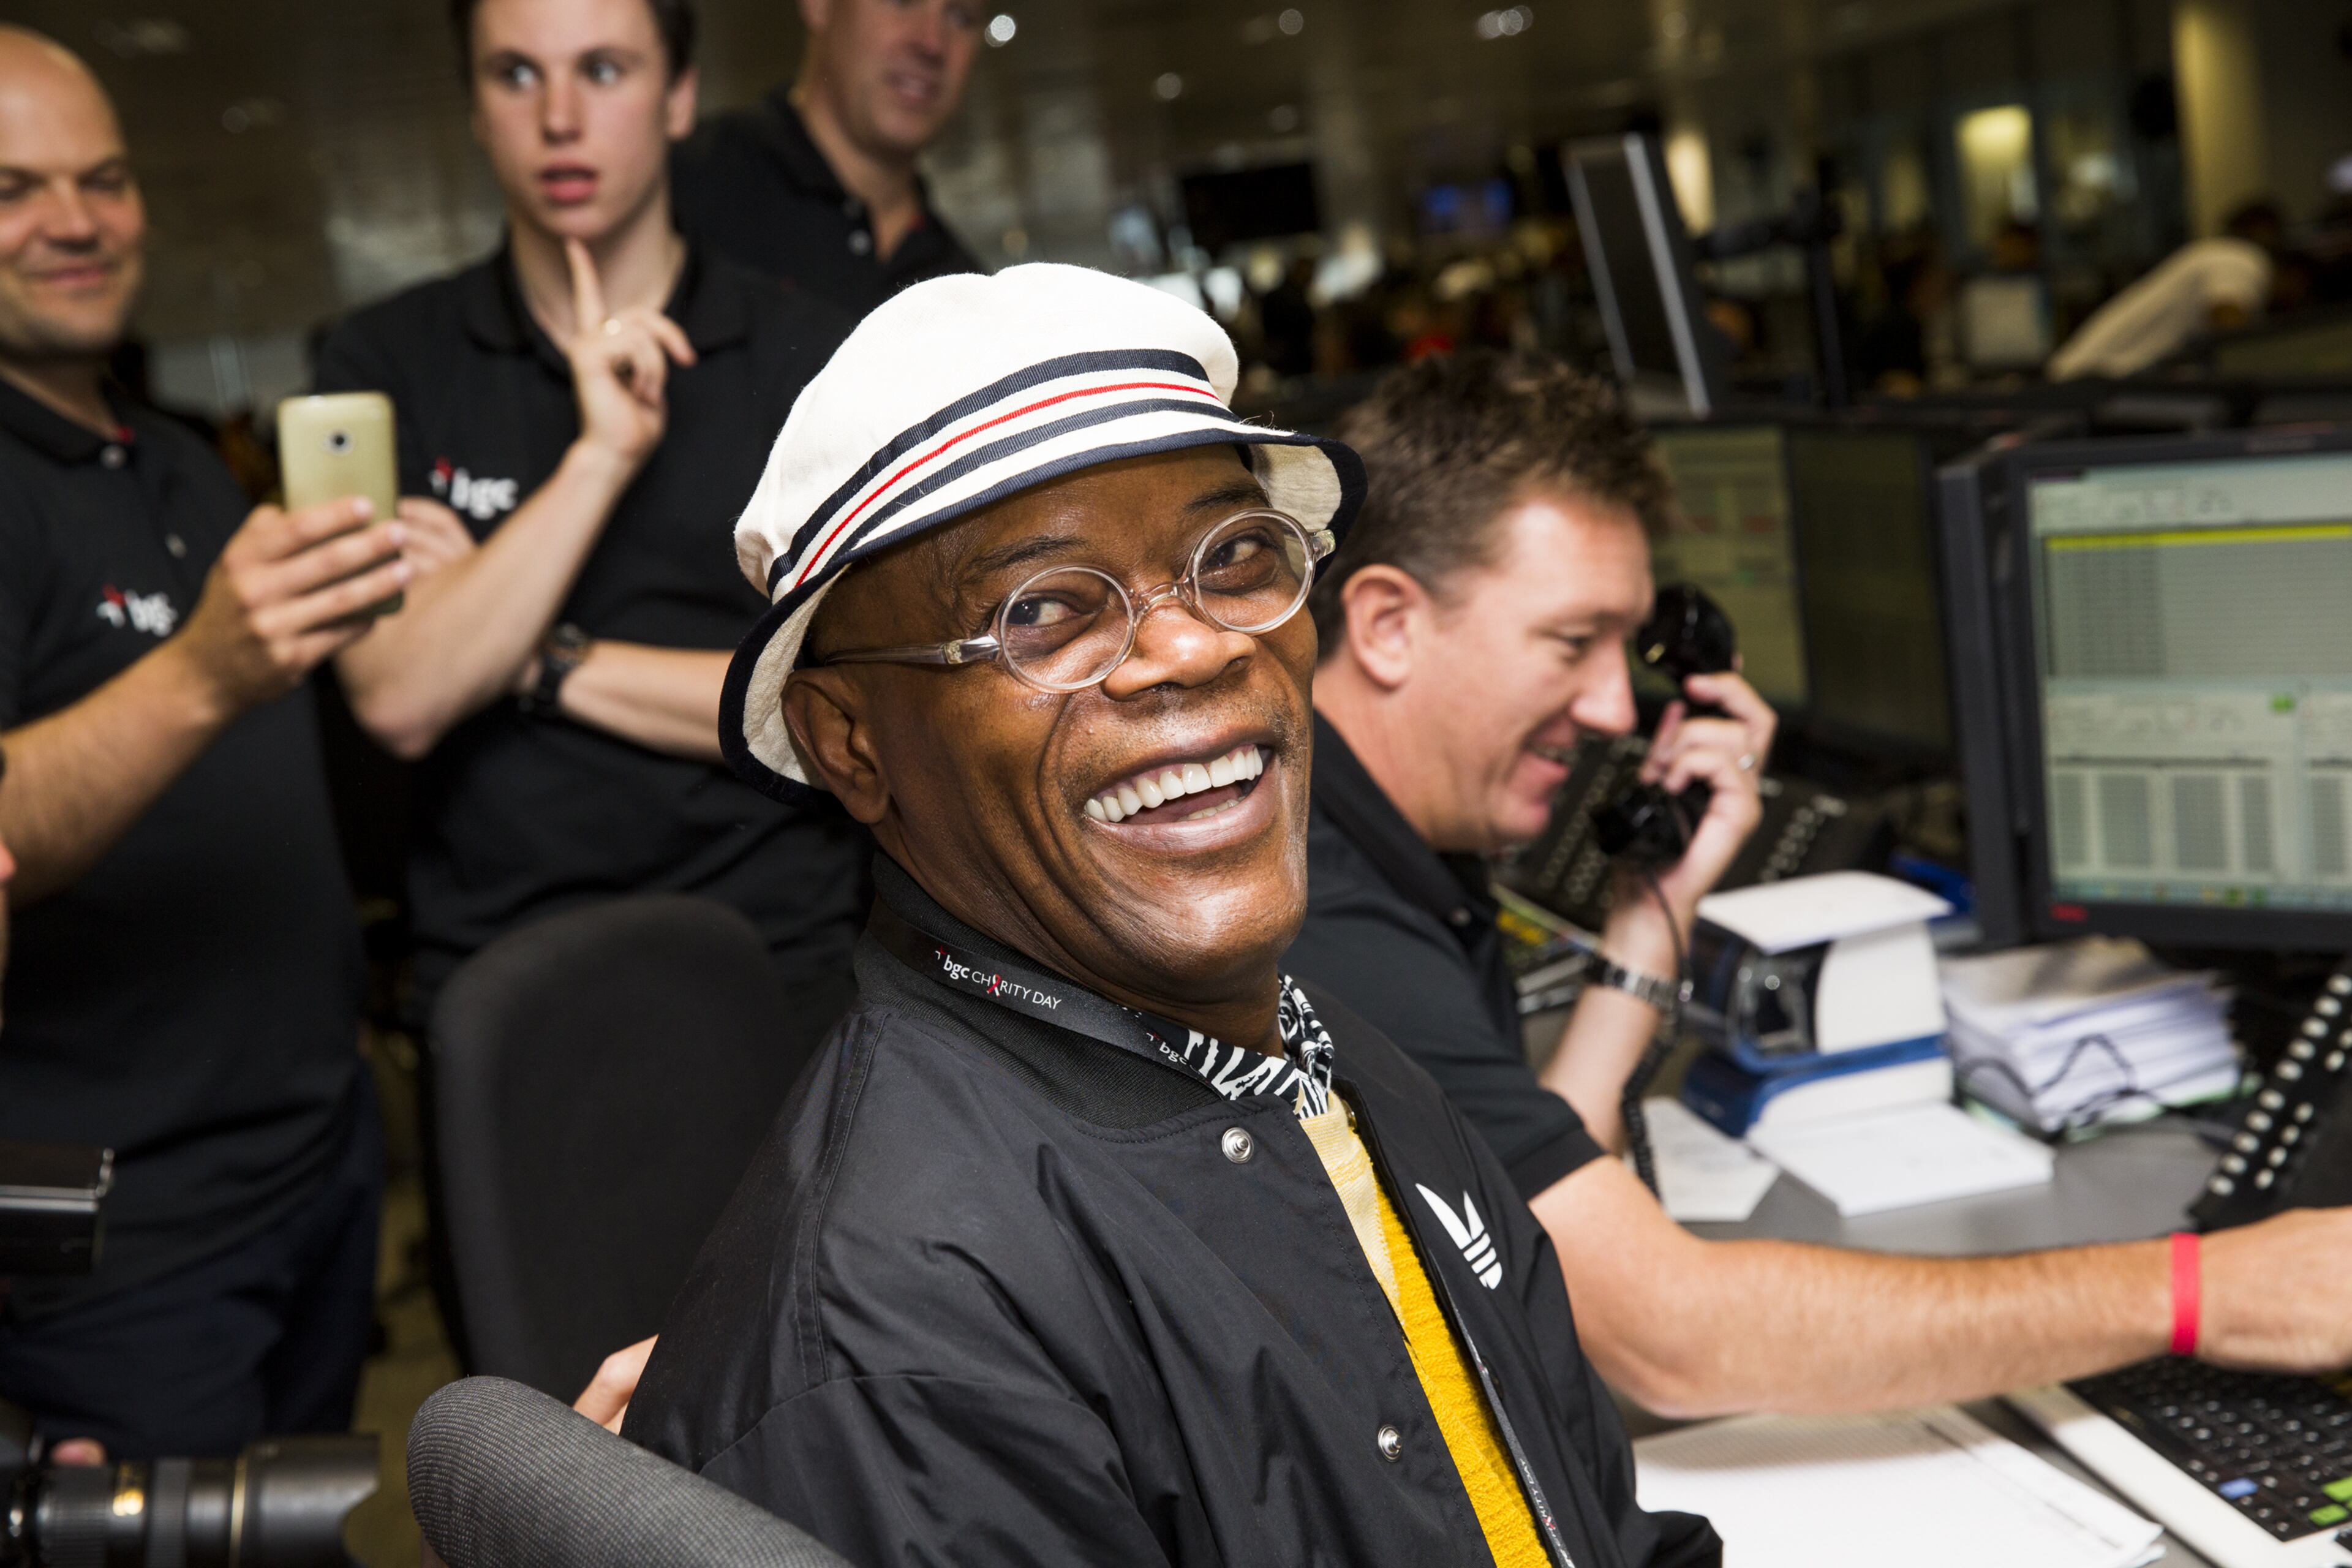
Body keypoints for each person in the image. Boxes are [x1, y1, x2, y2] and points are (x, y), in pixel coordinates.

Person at [621, 265, 1720, 1568]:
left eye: (1236, 558)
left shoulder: (1335, 1063)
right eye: (1041, 612)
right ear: (849, 742)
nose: (1195, 648)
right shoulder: (903, 1336)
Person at [1288, 348, 2352, 1419]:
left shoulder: (1383, 841)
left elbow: (1517, 1219)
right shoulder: (1322, 925)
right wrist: (2203, 1292)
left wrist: (1653, 914)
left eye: (1625, 647)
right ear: (1387, 625)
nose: (1615, 707)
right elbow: (1667, 1335)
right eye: (1572, 642)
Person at [0, 26, 397, 1457]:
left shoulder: (175, 456)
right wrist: (205, 670)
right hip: (133, 1244)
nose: (75, 220)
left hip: (317, 1161)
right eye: (15, 190)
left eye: (102, 179)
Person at [318, 0, 865, 1023]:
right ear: (476, 107)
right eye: (516, 74)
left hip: (777, 958)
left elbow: (840, 713)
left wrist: (530, 655)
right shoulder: (382, 363)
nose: (559, 118)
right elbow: (400, 695)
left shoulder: (816, 359)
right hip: (500, 980)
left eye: (604, 70)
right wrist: (601, 459)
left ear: (679, 96)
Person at [670, 0, 982, 318]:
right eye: (902, 2)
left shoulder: (970, 302)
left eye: (962, 17)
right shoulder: (677, 189)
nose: (932, 43)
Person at [2048, 200, 2284, 380]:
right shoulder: (2238, 256)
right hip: (2095, 381)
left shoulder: (2211, 253)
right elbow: (2231, 331)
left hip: (2098, 377)